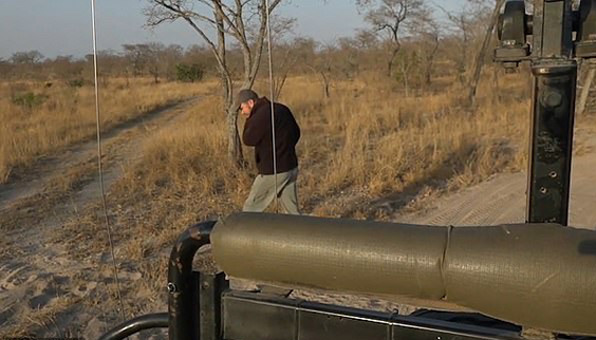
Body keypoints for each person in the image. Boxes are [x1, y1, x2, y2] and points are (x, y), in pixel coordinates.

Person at [235, 89, 301, 214]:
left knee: (250, 209)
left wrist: (250, 118)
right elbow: (296, 133)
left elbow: (248, 139)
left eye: (241, 108)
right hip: (291, 168)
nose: (242, 112)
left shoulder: (260, 115)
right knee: (292, 212)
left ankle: (245, 233)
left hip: (274, 171)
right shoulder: (281, 108)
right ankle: (301, 232)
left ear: (250, 102)